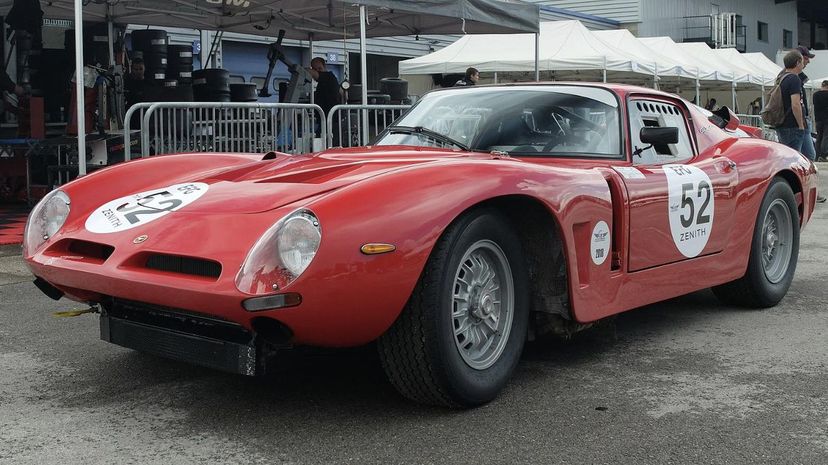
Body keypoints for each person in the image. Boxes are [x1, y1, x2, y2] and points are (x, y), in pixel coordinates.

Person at [795, 45, 817, 162]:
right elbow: (795, 103)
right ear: (800, 59)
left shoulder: (792, 77)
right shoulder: (795, 78)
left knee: (804, 156)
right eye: (807, 58)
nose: (808, 61)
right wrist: (801, 124)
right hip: (800, 122)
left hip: (801, 121)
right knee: (807, 155)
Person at [815, 80, 828, 162]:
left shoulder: (815, 95)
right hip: (827, 119)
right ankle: (824, 155)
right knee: (826, 137)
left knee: (819, 136)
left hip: (818, 119)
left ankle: (817, 155)